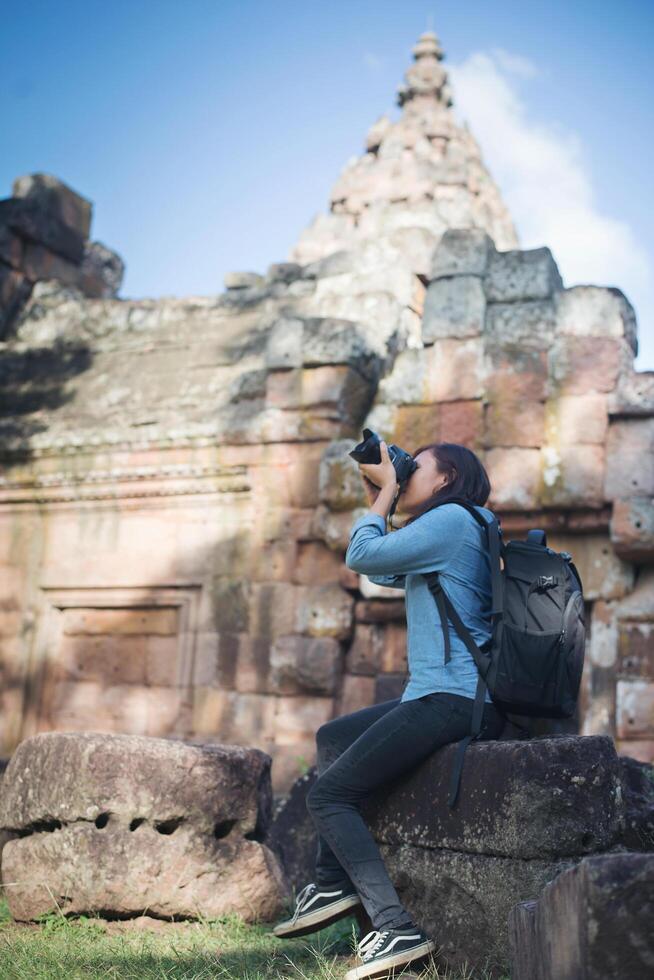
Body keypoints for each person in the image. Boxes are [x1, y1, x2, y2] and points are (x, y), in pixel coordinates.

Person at [273, 440, 505, 979]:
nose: (405, 472)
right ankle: (333, 884)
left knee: (330, 795)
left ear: (447, 478)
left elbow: (360, 556)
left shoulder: (452, 519)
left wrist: (386, 497)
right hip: (444, 694)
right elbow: (383, 572)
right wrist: (386, 493)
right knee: (334, 736)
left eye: (415, 466)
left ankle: (396, 928)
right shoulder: (459, 524)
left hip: (452, 698)